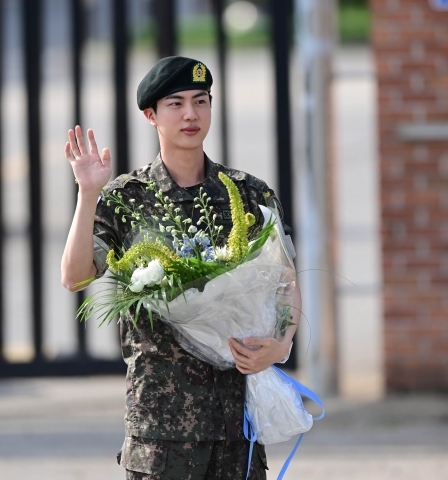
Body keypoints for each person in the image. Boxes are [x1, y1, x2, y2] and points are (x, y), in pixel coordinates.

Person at [61, 56, 300, 479]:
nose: (191, 114)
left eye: (200, 101)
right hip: (161, 427)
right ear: (151, 115)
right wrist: (88, 194)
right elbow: (76, 276)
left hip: (236, 422)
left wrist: (282, 343)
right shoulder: (125, 198)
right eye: (176, 103)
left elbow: (284, 279)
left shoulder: (247, 192)